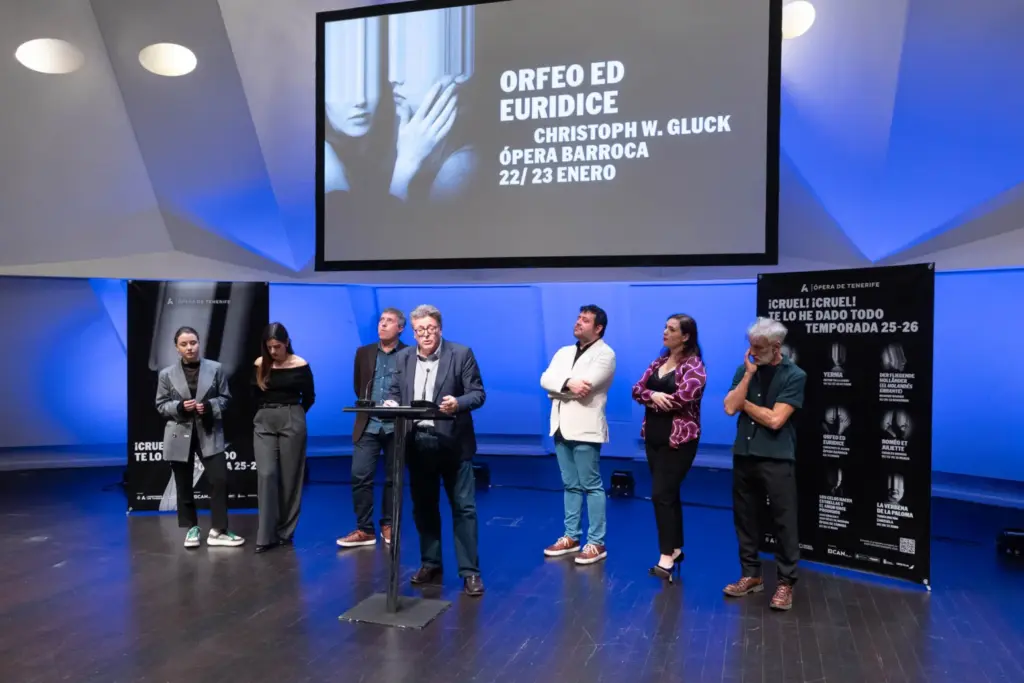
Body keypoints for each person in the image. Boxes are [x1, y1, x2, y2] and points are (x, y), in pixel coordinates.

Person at [383, 305, 486, 596]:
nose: (425, 335)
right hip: (418, 442)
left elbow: (477, 394)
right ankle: (431, 563)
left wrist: (458, 403)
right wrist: (391, 403)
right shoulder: (403, 357)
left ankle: (470, 572)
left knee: (463, 508)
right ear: (413, 332)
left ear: (439, 328)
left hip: (453, 442)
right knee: (424, 507)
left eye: (430, 329)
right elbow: (395, 391)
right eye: (420, 330)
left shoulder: (461, 354)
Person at [723, 317, 806, 611]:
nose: (753, 353)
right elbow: (729, 407)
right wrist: (747, 378)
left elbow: (775, 420)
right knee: (745, 518)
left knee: (784, 521)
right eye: (751, 346)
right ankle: (751, 575)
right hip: (744, 454)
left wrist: (743, 403)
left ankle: (785, 583)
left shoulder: (795, 375)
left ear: (776, 346)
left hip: (776, 457)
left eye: (759, 348)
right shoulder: (745, 369)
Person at [631, 314, 706, 583]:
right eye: (665, 327)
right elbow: (637, 389)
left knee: (661, 494)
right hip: (654, 437)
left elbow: (682, 399)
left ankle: (665, 557)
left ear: (685, 336)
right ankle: (675, 548)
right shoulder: (659, 362)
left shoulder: (695, 367)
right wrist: (653, 395)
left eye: (671, 329)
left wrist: (652, 399)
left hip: (680, 442)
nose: (665, 332)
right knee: (669, 495)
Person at [154, 326, 245, 549]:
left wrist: (209, 406)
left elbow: (225, 398)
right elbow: (161, 405)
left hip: (208, 430)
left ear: (199, 343)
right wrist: (179, 407)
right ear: (177, 348)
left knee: (219, 480)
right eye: (184, 344)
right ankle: (191, 527)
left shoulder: (215, 368)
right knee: (183, 484)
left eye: (193, 343)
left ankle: (218, 530)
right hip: (179, 432)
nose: (189, 348)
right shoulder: (166, 374)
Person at [539, 305, 616, 565]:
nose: (578, 322)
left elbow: (586, 387)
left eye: (585, 320)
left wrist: (557, 389)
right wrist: (565, 384)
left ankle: (596, 542)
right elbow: (545, 379)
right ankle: (571, 536)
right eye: (578, 318)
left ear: (598, 328)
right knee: (570, 484)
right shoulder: (564, 352)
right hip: (561, 426)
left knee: (591, 485)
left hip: (585, 428)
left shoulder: (605, 354)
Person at [337, 308, 408, 548]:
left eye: (389, 321)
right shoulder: (364, 352)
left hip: (396, 425)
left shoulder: (410, 354)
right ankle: (364, 529)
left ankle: (388, 523)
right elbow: (359, 386)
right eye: (381, 320)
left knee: (393, 478)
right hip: (368, 423)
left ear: (400, 328)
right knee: (359, 475)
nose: (383, 325)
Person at [251, 322, 315, 554]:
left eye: (277, 346)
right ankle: (265, 535)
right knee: (266, 474)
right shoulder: (260, 364)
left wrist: (295, 416)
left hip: (292, 417)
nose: (273, 351)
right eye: (269, 347)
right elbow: (252, 395)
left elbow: (309, 396)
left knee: (290, 477)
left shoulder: (300, 365)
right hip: (264, 420)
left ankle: (285, 532)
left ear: (286, 343)